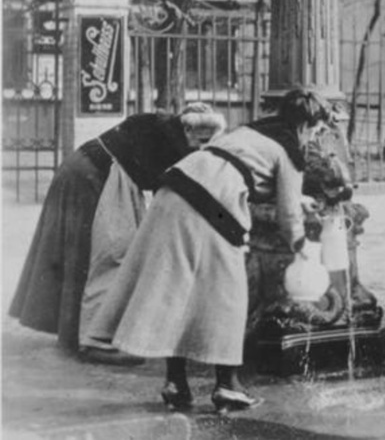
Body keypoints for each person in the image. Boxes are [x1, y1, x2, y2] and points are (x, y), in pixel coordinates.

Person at [85, 89, 332, 412]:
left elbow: (237, 169)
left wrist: (298, 199)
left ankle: (176, 383)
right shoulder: (290, 152)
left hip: (173, 190)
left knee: (176, 290)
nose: (314, 138)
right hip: (211, 206)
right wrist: (302, 247)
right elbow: (288, 217)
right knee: (229, 295)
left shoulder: (251, 130)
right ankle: (228, 386)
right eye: (315, 130)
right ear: (304, 125)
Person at [9, 103, 225, 362]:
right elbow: (173, 193)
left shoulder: (160, 124)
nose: (201, 147)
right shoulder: (172, 141)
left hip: (79, 168)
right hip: (96, 177)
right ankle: (96, 341)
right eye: (200, 139)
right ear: (187, 128)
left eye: (207, 141)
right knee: (112, 255)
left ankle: (75, 336)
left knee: (80, 252)